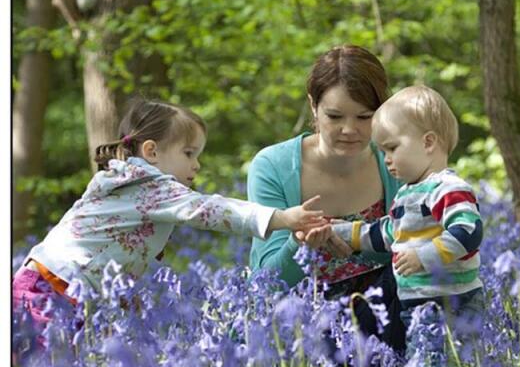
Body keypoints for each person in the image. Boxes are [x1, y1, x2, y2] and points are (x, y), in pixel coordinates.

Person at [12, 98, 327, 330]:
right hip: (52, 290)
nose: (197, 165)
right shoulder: (149, 185)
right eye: (189, 153)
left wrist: (125, 298)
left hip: (55, 285)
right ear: (151, 152)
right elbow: (210, 209)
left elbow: (116, 254)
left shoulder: (129, 182)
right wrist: (283, 218)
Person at [247, 45, 406, 353]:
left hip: (383, 318)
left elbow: (413, 248)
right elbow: (268, 282)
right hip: (300, 322)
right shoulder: (273, 167)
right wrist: (301, 245)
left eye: (364, 117)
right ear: (313, 106)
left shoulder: (396, 162)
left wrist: (356, 247)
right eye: (335, 116)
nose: (350, 130)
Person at [329, 85, 484, 367]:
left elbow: (468, 232)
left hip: (452, 304)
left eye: (392, 148)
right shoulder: (408, 194)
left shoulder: (448, 188)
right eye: (382, 151)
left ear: (428, 143)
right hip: (417, 306)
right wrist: (342, 231)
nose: (386, 159)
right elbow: (387, 233)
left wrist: (423, 256)